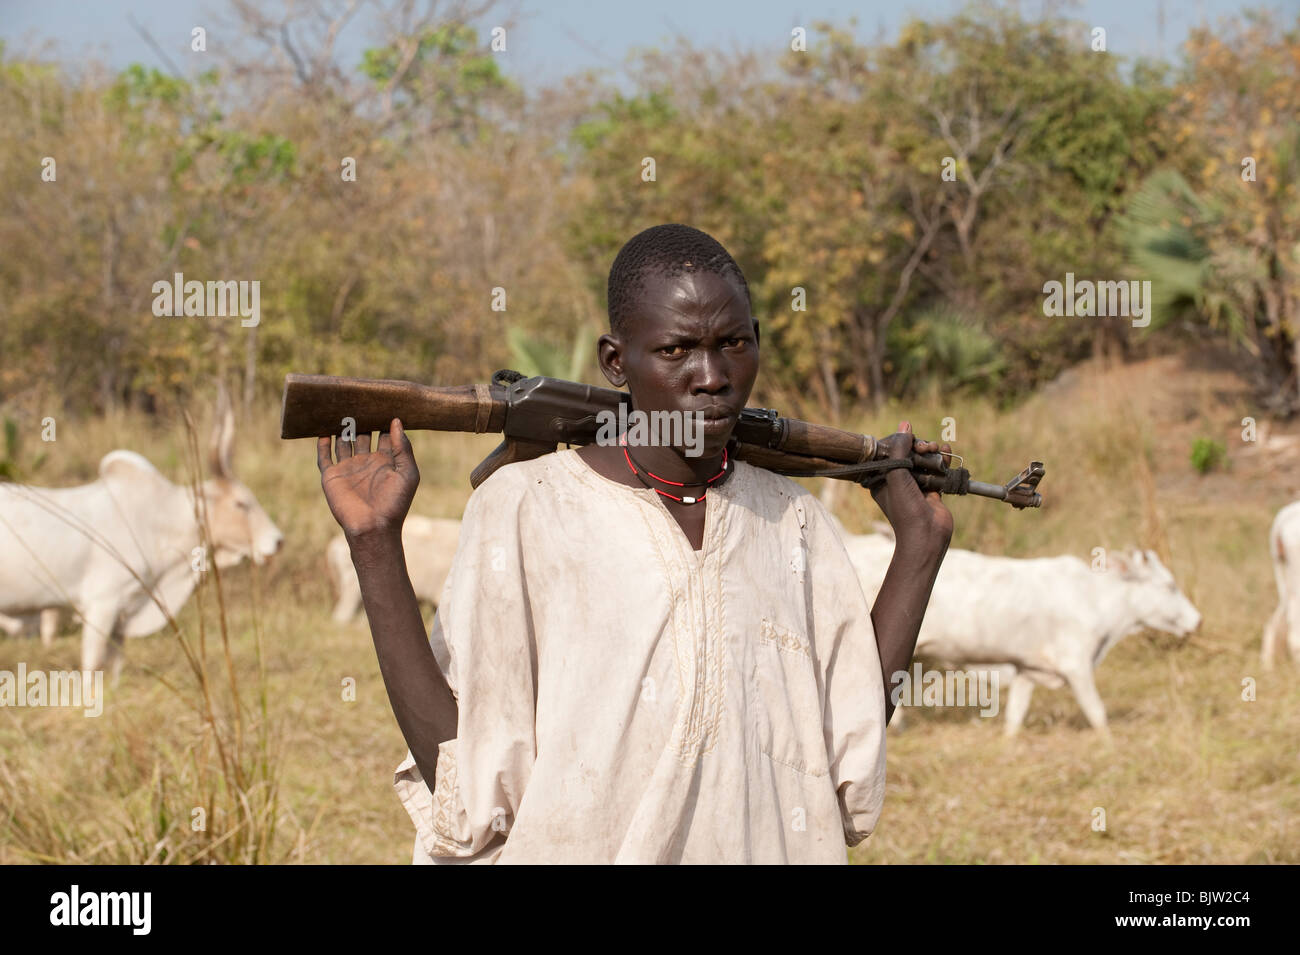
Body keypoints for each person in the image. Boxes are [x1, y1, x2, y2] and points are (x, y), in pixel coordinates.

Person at [316, 224, 953, 864]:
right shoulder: (528, 507)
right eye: (677, 351)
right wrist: (374, 546)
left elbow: (847, 744)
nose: (713, 376)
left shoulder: (795, 522)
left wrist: (918, 550)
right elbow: (470, 780)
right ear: (616, 362)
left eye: (733, 343)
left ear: (757, 341)